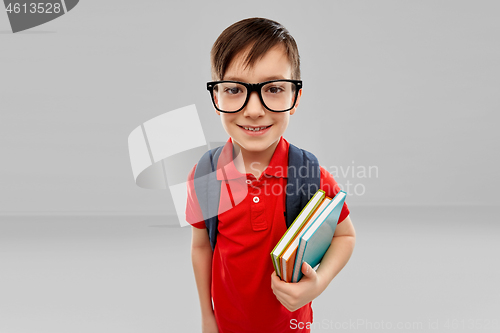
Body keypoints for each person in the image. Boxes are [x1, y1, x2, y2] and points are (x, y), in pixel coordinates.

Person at [186, 17, 356, 333]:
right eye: (235, 89)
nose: (253, 109)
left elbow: (345, 235)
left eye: (274, 88)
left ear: (296, 98)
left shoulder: (308, 173)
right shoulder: (205, 174)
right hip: (227, 325)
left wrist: (317, 285)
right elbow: (201, 247)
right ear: (216, 98)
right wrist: (207, 318)